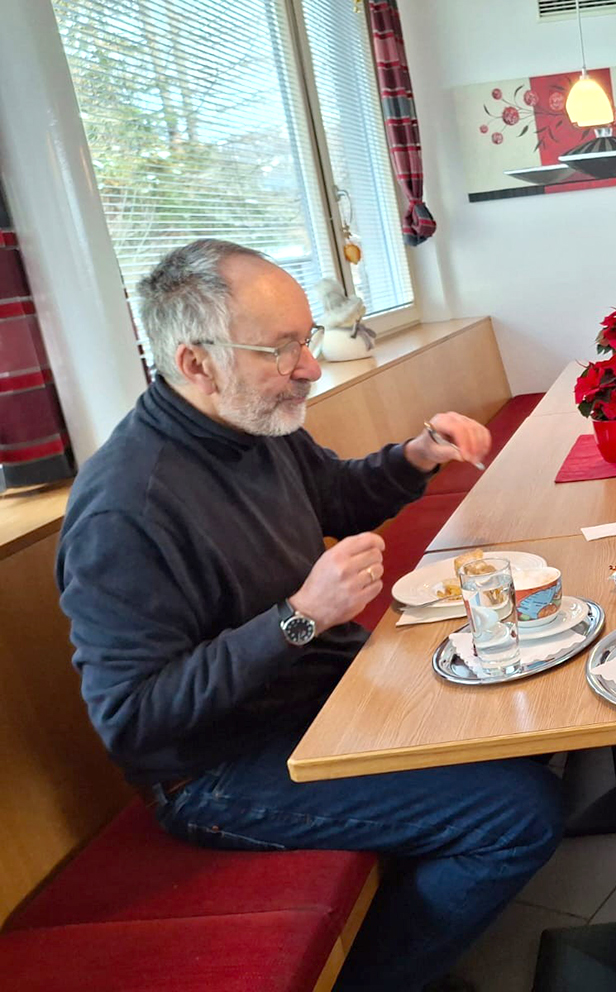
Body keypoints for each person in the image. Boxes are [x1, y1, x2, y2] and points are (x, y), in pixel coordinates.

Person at [56, 240, 563, 992]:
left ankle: (416, 920)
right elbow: (131, 718)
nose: (312, 365)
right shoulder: (124, 507)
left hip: (324, 699)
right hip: (216, 772)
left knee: (518, 713)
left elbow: (340, 495)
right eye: (282, 347)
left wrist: (419, 454)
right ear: (196, 363)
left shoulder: (256, 423)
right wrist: (299, 617)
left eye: (305, 340)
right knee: (516, 817)